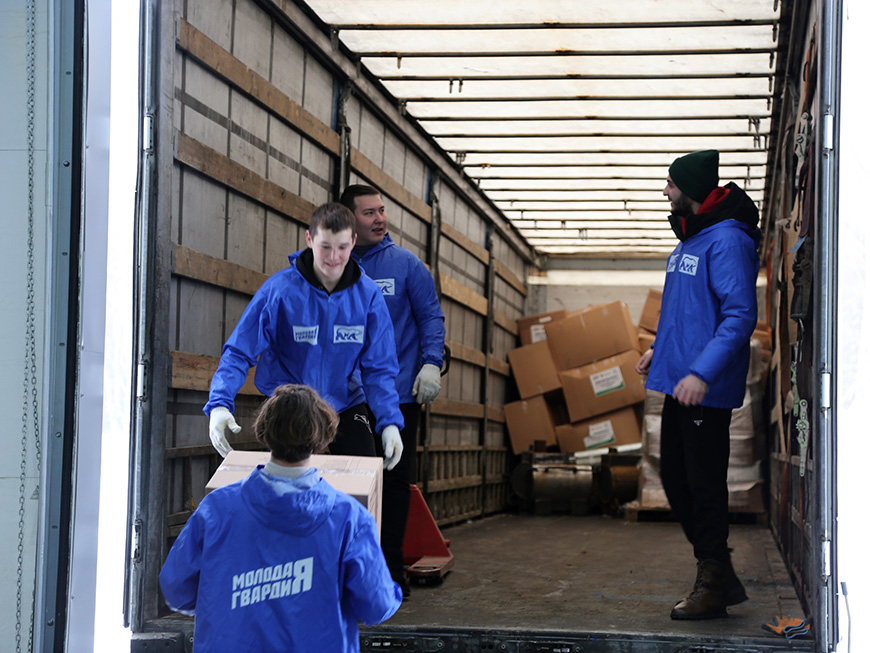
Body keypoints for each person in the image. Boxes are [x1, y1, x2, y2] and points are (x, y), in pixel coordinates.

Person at [160, 384, 403, 651]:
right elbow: (376, 606)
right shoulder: (349, 518)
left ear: (264, 430)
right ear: (323, 436)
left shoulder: (216, 509)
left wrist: (226, 604)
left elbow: (176, 588)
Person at [635, 150, 760, 620]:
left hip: (704, 387)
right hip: (680, 382)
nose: (665, 190)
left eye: (670, 183)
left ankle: (713, 583)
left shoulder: (727, 241)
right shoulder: (693, 239)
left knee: (703, 486)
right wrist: (659, 350)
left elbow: (739, 316)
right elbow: (685, 312)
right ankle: (720, 574)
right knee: (675, 478)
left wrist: (702, 372)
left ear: (689, 188)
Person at [204, 202, 404, 471]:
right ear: (309, 239)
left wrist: (389, 421)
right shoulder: (279, 291)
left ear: (354, 242)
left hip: (346, 402)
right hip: (291, 404)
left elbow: (379, 366)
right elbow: (240, 350)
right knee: (287, 484)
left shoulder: (368, 296)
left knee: (363, 475)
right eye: (325, 247)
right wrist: (219, 403)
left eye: (343, 247)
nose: (334, 257)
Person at [340, 185, 446, 597]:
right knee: (350, 481)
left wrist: (431, 363)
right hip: (346, 398)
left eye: (382, 210)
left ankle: (389, 569)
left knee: (394, 480)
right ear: (348, 219)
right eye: (369, 212)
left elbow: (430, 317)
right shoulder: (334, 265)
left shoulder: (406, 266)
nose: (380, 219)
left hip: (398, 395)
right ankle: (350, 569)